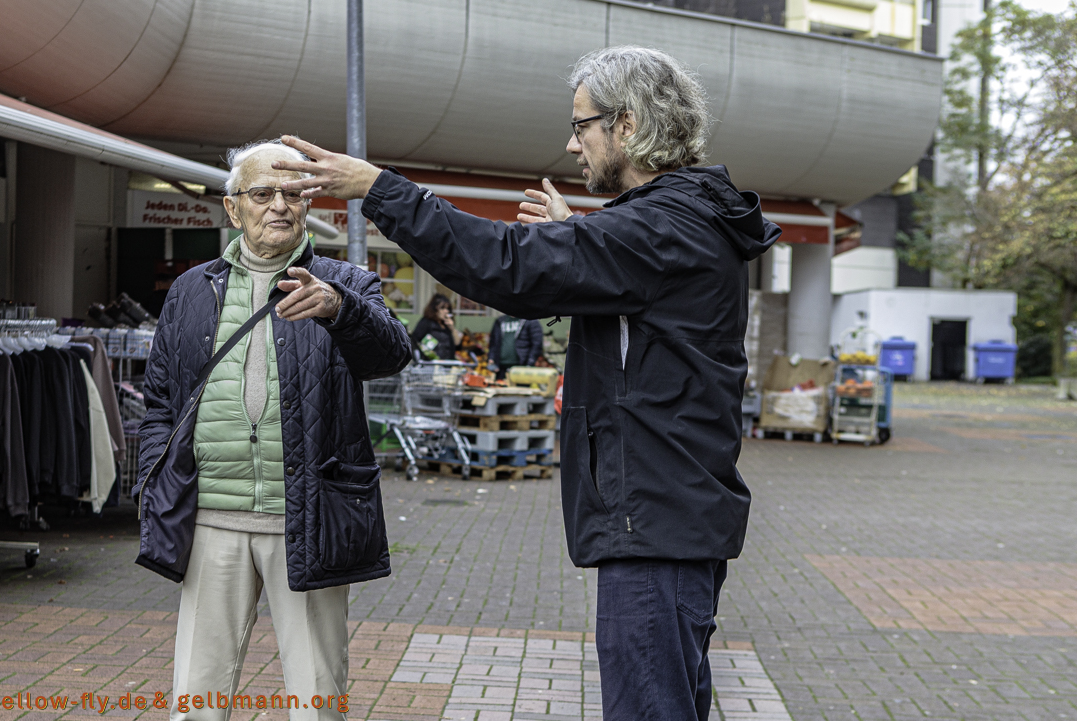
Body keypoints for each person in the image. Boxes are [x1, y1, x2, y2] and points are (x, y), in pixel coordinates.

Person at [273, 45, 780, 721]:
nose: (572, 143)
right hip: (669, 515)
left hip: (655, 520)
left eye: (582, 125)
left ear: (626, 124)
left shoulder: (661, 224)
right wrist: (578, 240)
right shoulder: (677, 219)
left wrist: (377, 187)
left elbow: (505, 267)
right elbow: (633, 300)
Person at [136, 139, 411, 721]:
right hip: (211, 518)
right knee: (198, 695)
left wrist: (340, 309)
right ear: (234, 208)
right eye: (263, 193)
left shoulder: (344, 281)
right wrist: (154, 483)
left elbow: (390, 356)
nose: (279, 206)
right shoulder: (191, 291)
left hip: (307, 517)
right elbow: (159, 400)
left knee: (317, 696)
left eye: (293, 193)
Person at [409, 293, 461, 360]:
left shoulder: (447, 325)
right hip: (431, 365)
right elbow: (415, 341)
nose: (446, 311)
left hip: (448, 364)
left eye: (448, 308)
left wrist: (452, 329)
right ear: (435, 309)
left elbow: (458, 345)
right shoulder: (426, 322)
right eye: (442, 308)